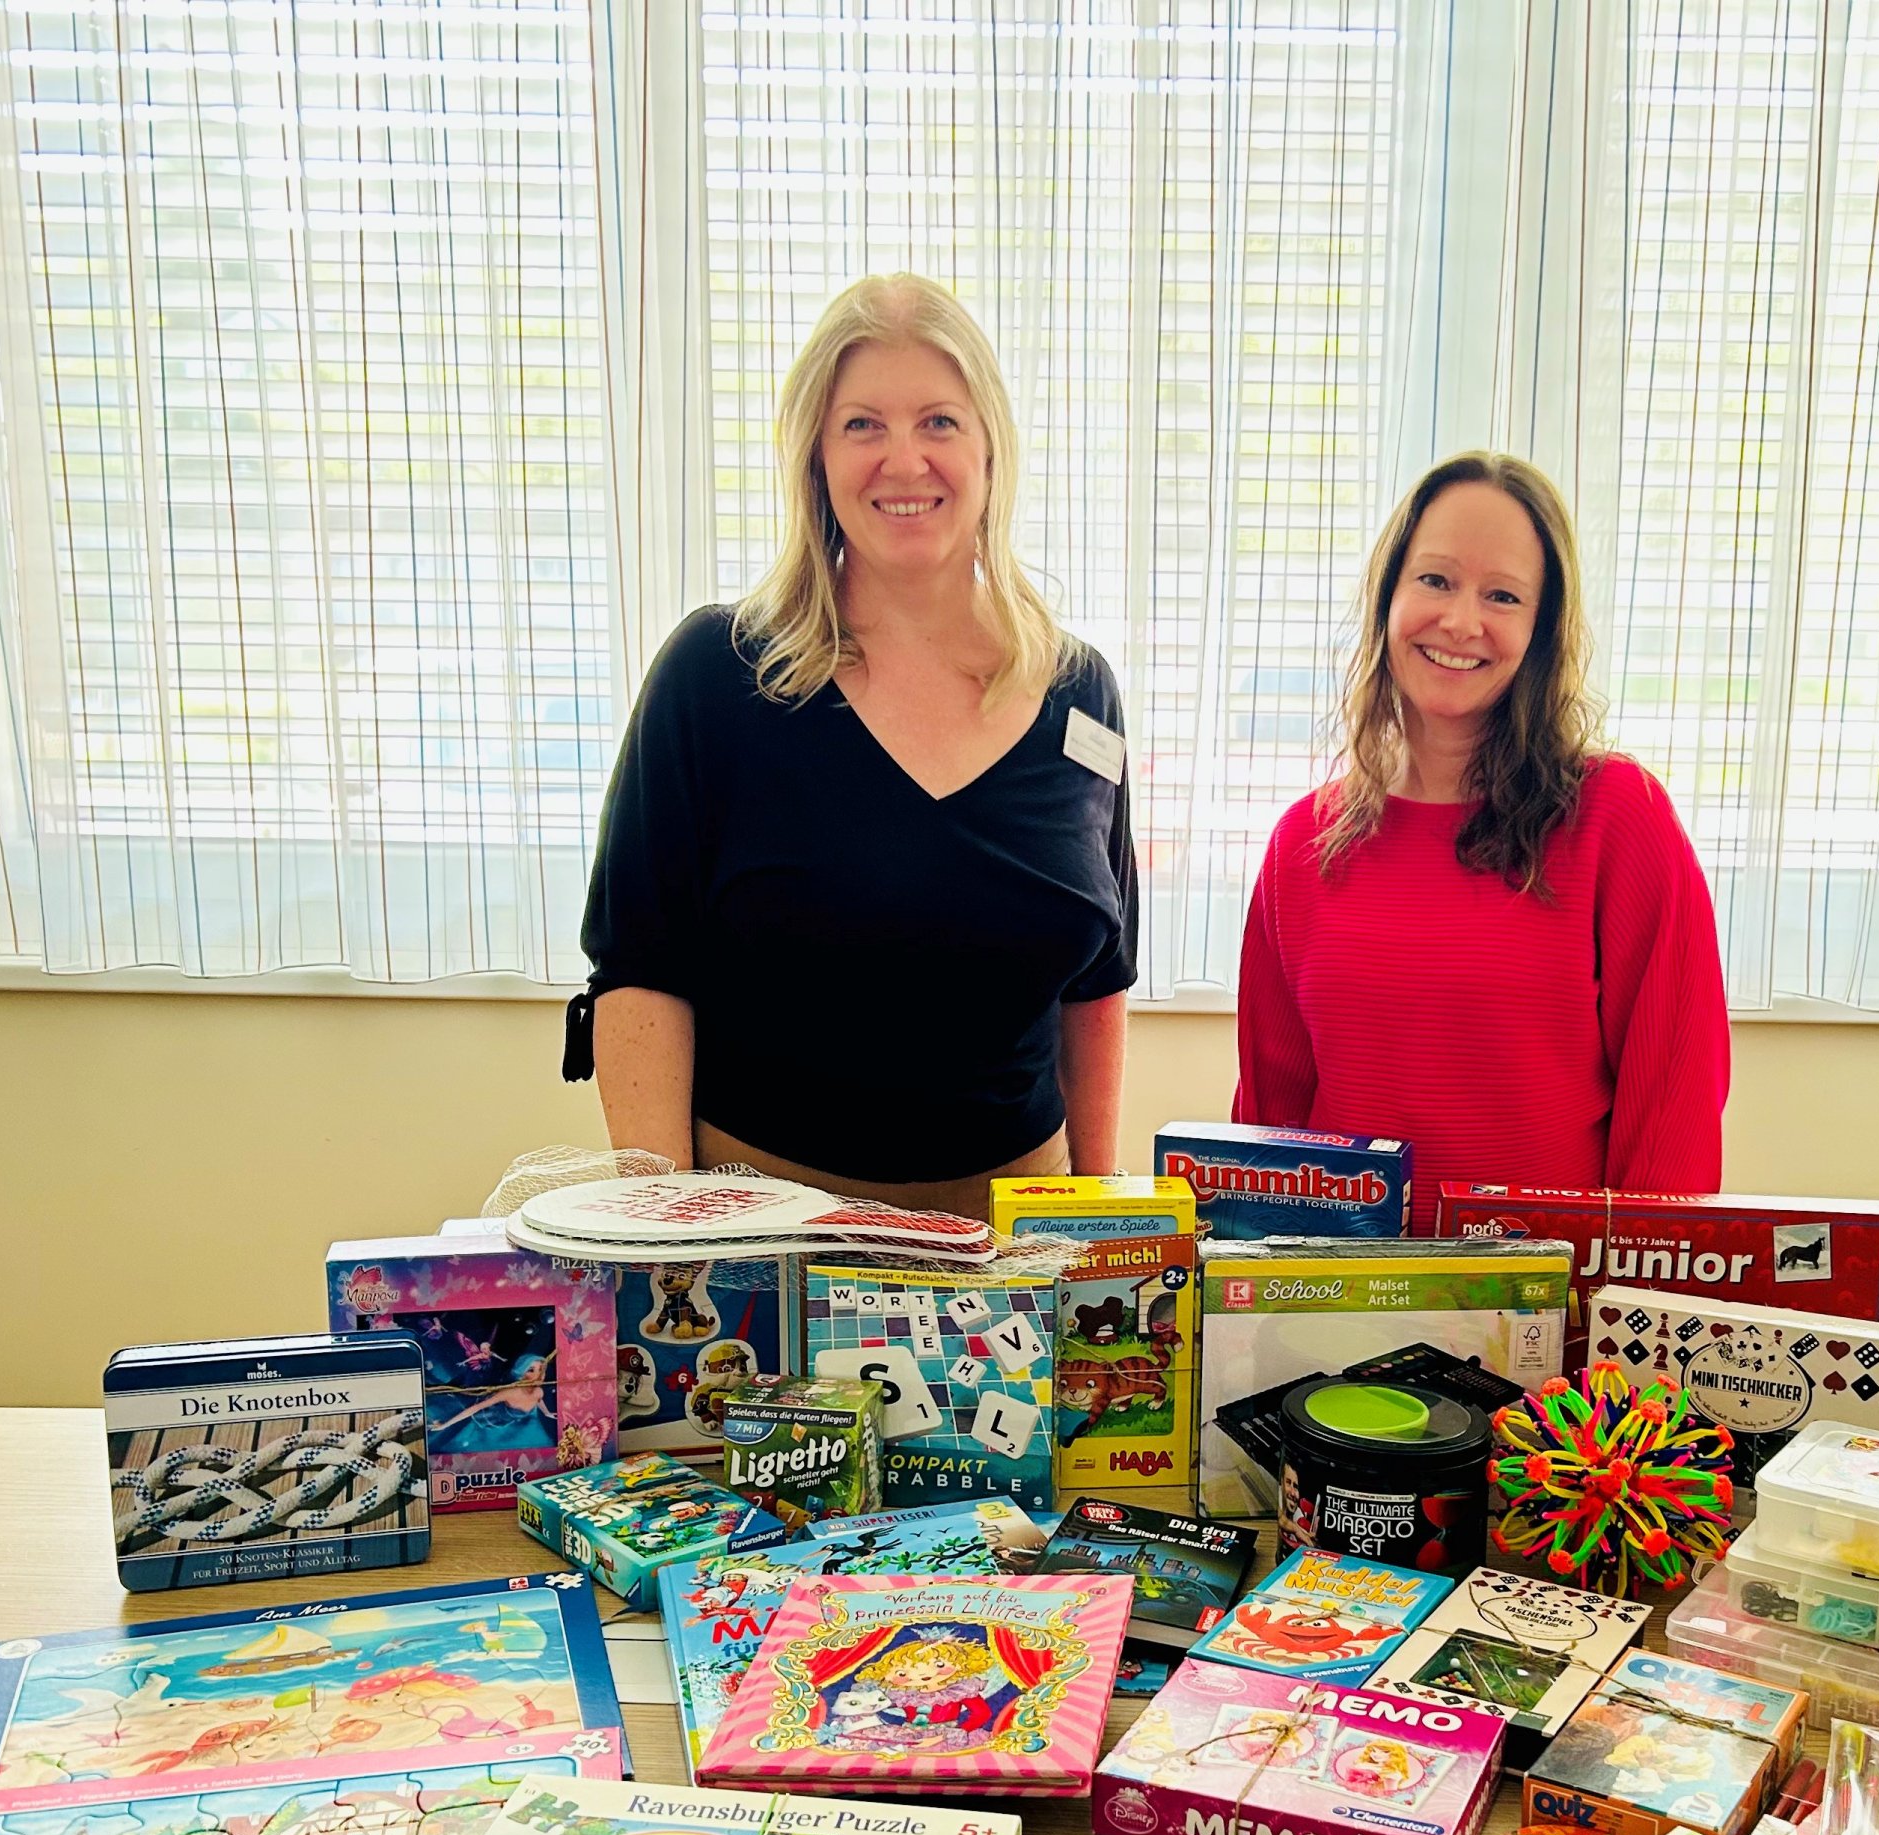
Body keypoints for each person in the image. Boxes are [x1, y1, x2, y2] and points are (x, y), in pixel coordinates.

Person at [568, 275, 1137, 1220]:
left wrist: (1097, 1219)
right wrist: (665, 1243)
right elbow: (640, 972)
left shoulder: (1083, 695)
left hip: (1011, 1249)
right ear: (817, 459)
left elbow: (1098, 981)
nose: (903, 460)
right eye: (862, 425)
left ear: (990, 448)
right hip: (760, 1242)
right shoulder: (714, 679)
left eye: (939, 422)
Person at [1233, 452, 1727, 1222]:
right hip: (1339, 1289)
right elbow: (1270, 1131)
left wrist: (1628, 1291)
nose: (1462, 622)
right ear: (1388, 596)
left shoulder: (1618, 818)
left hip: (1557, 1292)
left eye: (1502, 595)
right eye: (1436, 579)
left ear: (1540, 629)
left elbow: (1674, 1111)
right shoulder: (1302, 843)